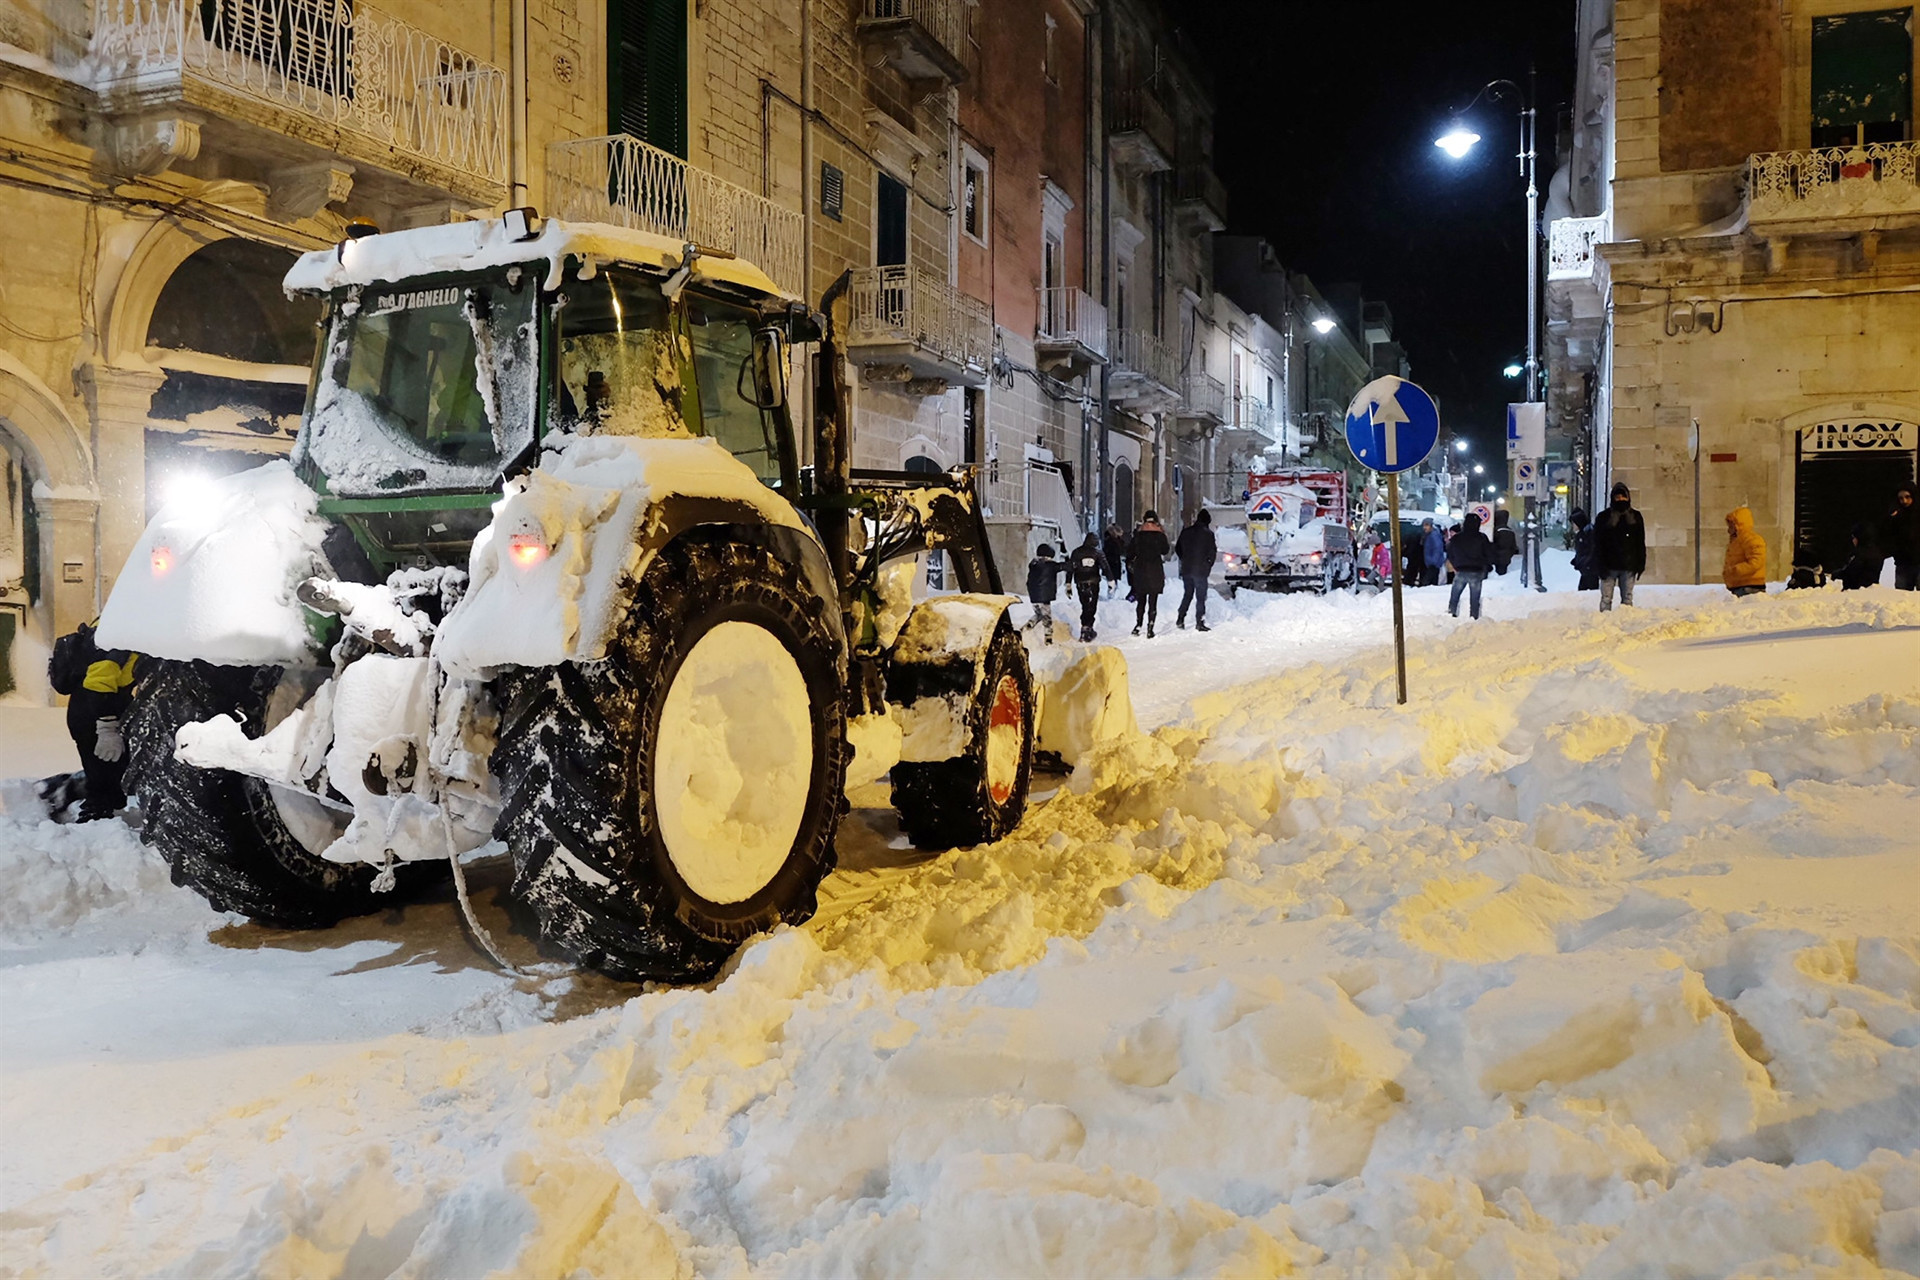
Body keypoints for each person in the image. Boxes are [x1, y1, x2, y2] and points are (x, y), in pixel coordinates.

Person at [47, 621, 139, 822]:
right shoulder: (122, 639)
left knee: (115, 772)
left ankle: (76, 788)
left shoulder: (115, 627)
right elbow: (96, 683)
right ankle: (93, 822)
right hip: (92, 712)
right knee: (105, 780)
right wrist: (106, 729)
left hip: (105, 706)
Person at [1593, 481, 1647, 611]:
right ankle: (1604, 621)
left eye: (1623, 497)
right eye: (1617, 497)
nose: (1620, 500)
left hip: (1629, 564)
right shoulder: (1604, 518)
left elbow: (1640, 542)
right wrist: (1599, 565)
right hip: (1608, 565)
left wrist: (1640, 563)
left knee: (1627, 599)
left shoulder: (1635, 517)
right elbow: (1597, 543)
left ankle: (1626, 621)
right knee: (1606, 599)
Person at [1127, 510, 1170, 637]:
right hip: (1155, 570)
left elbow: (1130, 552)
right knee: (1153, 601)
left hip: (1141, 570)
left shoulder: (1138, 535)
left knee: (1141, 600)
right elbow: (1165, 550)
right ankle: (1150, 627)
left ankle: (1138, 625)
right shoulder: (1160, 534)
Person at [1173, 509, 1218, 631]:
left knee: (1187, 594)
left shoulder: (1186, 532)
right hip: (1201, 571)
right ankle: (1199, 622)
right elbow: (1212, 552)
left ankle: (1180, 618)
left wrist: (1184, 559)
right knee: (1200, 597)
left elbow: (1178, 549)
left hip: (1187, 569)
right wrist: (1208, 564)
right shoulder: (1208, 535)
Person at [1445, 511, 1495, 619]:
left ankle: (1451, 613)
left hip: (1461, 570)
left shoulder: (1457, 538)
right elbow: (1489, 554)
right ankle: (1474, 617)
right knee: (1475, 598)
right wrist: (1486, 566)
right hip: (1476, 571)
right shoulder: (1482, 537)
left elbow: (1450, 553)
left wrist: (1455, 565)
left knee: (1455, 595)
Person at [1067, 533, 1107, 641]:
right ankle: (1088, 628)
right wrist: (1111, 579)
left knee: (1085, 604)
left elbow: (1070, 568)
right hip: (1093, 582)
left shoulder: (1076, 552)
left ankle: (1085, 627)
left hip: (1080, 581)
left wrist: (1068, 583)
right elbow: (1105, 566)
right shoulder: (1098, 553)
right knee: (1092, 605)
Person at [1722, 506, 1768, 598]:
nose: (1729, 528)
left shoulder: (1752, 539)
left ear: (1739, 525)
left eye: (1731, 524)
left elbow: (1756, 562)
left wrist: (1736, 570)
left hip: (1750, 587)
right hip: (1739, 586)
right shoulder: (1736, 541)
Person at [1026, 543, 1067, 642]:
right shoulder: (1050, 565)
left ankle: (1029, 625)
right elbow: (1063, 566)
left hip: (1033, 596)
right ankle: (1048, 637)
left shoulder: (1033, 564)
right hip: (1044, 597)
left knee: (1039, 614)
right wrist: (1073, 563)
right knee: (1047, 617)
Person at [1888, 482, 1918, 591]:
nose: (1904, 501)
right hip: (1903, 564)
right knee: (1901, 596)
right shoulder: (1896, 516)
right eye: (1901, 498)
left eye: (1907, 497)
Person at [1835, 523, 1882, 591]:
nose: (1853, 540)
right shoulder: (1876, 552)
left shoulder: (1860, 554)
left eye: (1853, 537)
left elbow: (1851, 573)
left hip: (1856, 591)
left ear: (1859, 538)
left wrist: (1834, 575)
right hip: (1871, 589)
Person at [1569, 508, 1599, 591]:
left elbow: (1590, 550)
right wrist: (1576, 560)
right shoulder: (1582, 534)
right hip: (1586, 568)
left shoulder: (1588, 533)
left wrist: (1583, 562)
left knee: (1588, 590)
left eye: (1574, 523)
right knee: (1584, 589)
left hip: (1590, 568)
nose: (1573, 526)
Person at [1102, 523, 1129, 599]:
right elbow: (1118, 550)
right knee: (1112, 580)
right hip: (1112, 563)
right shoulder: (1111, 540)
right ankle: (1111, 596)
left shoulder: (1110, 539)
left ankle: (1111, 596)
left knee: (1113, 580)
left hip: (1112, 562)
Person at [1491, 509, 1519, 576]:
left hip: (1495, 557)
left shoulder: (1494, 531)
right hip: (1506, 557)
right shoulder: (1510, 532)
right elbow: (1513, 547)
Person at [1419, 519, 1445, 587]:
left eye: (1427, 525)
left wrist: (1433, 561)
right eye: (1424, 525)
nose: (1424, 527)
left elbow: (1438, 548)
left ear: (1431, 526)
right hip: (1431, 562)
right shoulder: (1429, 535)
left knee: (1427, 582)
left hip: (1433, 563)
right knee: (1432, 583)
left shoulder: (1434, 535)